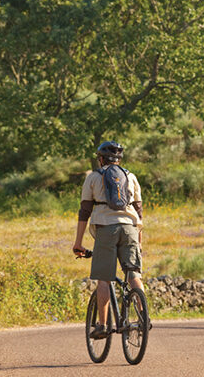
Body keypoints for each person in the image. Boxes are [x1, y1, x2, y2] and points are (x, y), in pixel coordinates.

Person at [72, 141, 144, 339]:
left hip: (106, 229)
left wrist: (78, 243)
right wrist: (139, 242)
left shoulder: (94, 177)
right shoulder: (130, 177)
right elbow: (139, 212)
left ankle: (103, 325)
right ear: (119, 160)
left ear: (101, 159)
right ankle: (143, 317)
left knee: (104, 278)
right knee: (133, 274)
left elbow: (85, 211)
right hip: (130, 229)